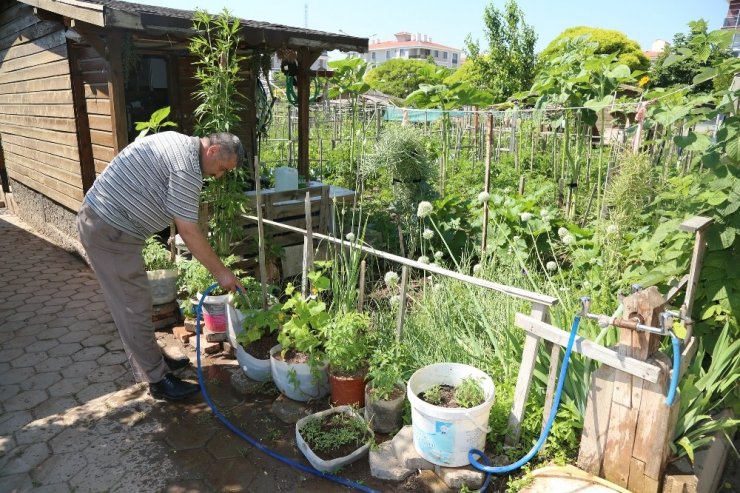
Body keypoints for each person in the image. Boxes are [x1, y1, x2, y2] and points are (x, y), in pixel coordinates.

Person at [76, 131, 245, 401]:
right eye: (222, 168)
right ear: (212, 151)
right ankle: (157, 380)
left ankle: (155, 361)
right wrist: (223, 274)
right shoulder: (187, 167)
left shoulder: (180, 143)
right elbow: (188, 231)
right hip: (109, 231)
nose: (219, 176)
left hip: (110, 225)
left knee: (137, 301)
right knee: (133, 306)